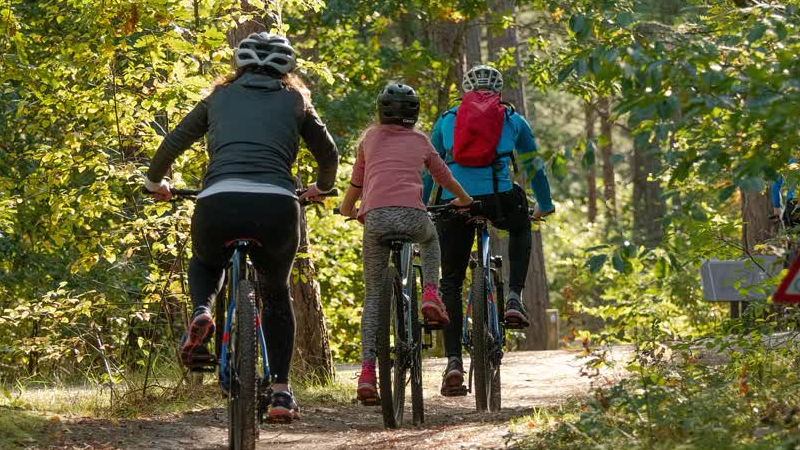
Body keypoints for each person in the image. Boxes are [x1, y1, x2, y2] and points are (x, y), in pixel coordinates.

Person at [143, 32, 338, 422]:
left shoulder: (218, 97)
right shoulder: (296, 100)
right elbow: (328, 153)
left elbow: (174, 141)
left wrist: (155, 183)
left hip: (219, 200)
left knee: (205, 261)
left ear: (240, 64)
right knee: (277, 293)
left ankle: (202, 311)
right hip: (277, 204)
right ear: (288, 69)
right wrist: (322, 187)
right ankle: (281, 391)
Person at [422, 65, 555, 396]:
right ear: (498, 90)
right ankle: (513, 297)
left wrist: (425, 203)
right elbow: (533, 166)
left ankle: (453, 361)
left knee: (450, 281)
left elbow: (429, 168)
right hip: (499, 200)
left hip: (455, 203)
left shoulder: (447, 119)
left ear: (466, 89)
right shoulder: (512, 119)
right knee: (521, 225)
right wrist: (545, 203)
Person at [339, 83, 473, 402]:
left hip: (376, 220)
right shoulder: (421, 141)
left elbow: (357, 182)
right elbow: (444, 177)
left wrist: (348, 210)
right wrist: (465, 199)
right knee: (431, 239)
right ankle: (430, 292)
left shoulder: (369, 139)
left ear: (381, 111)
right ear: (414, 114)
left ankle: (368, 373)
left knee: (373, 296)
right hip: (414, 217)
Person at [771, 158, 798, 227]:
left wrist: (777, 207)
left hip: (792, 204)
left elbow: (775, 186)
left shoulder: (791, 161)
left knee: (792, 235)